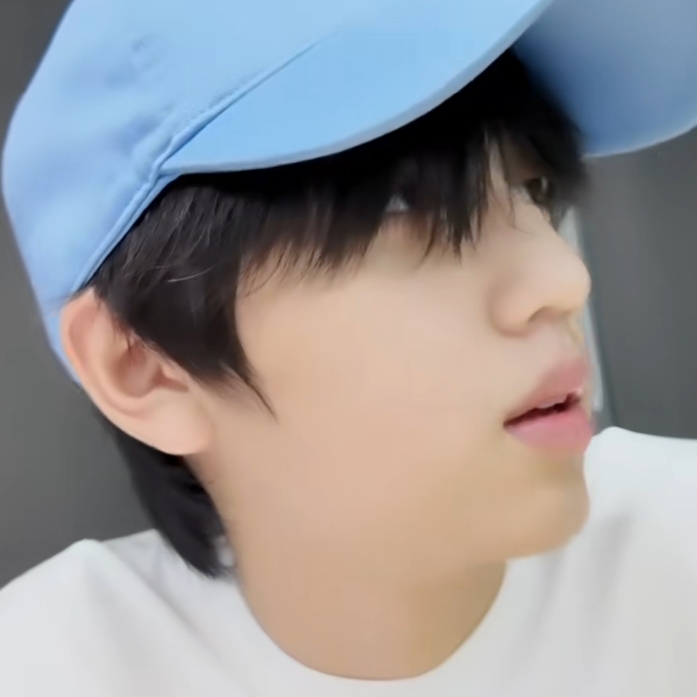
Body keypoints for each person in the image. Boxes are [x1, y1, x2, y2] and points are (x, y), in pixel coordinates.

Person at [1, 0, 697, 694]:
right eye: (401, 205)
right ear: (148, 368)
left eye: (533, 189)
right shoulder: (49, 663)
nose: (563, 278)